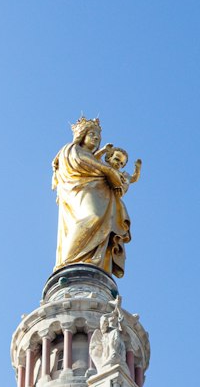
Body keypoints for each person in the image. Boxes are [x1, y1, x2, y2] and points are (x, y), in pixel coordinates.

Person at [52, 116, 139, 278]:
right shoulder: (70, 150)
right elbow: (81, 163)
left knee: (104, 226)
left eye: (98, 137)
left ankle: (94, 261)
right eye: (92, 134)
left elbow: (117, 181)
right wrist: (107, 171)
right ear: (82, 135)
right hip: (79, 193)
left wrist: (116, 175)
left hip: (101, 195)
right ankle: (69, 261)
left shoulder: (96, 160)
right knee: (92, 217)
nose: (96, 138)